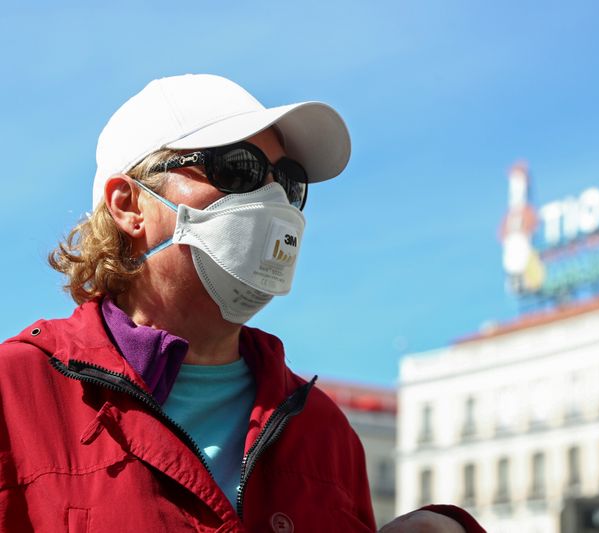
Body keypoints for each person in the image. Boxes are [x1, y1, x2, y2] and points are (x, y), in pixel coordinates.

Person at [0, 74, 483, 532]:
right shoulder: (16, 394)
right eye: (238, 167)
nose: (274, 198)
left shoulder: (323, 431)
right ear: (129, 205)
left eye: (289, 182)